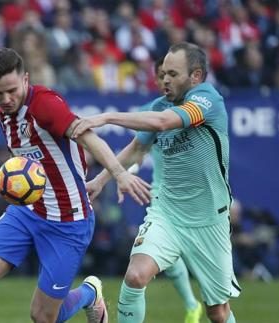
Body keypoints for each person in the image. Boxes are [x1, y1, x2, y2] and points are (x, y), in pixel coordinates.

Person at [0, 48, 151, 323]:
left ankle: (89, 294)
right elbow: (19, 169)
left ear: (26, 79)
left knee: (43, 316)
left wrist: (119, 173)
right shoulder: (5, 114)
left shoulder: (45, 105)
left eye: (11, 90)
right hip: (27, 213)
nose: (6, 99)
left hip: (68, 222)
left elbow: (90, 138)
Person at [72, 42, 241, 323]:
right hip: (168, 215)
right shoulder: (158, 107)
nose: (165, 79)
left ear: (195, 77)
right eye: (163, 73)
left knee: (217, 313)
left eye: (173, 74)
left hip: (210, 220)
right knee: (135, 275)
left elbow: (164, 122)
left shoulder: (207, 100)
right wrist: (102, 180)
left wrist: (108, 117)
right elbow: (137, 149)